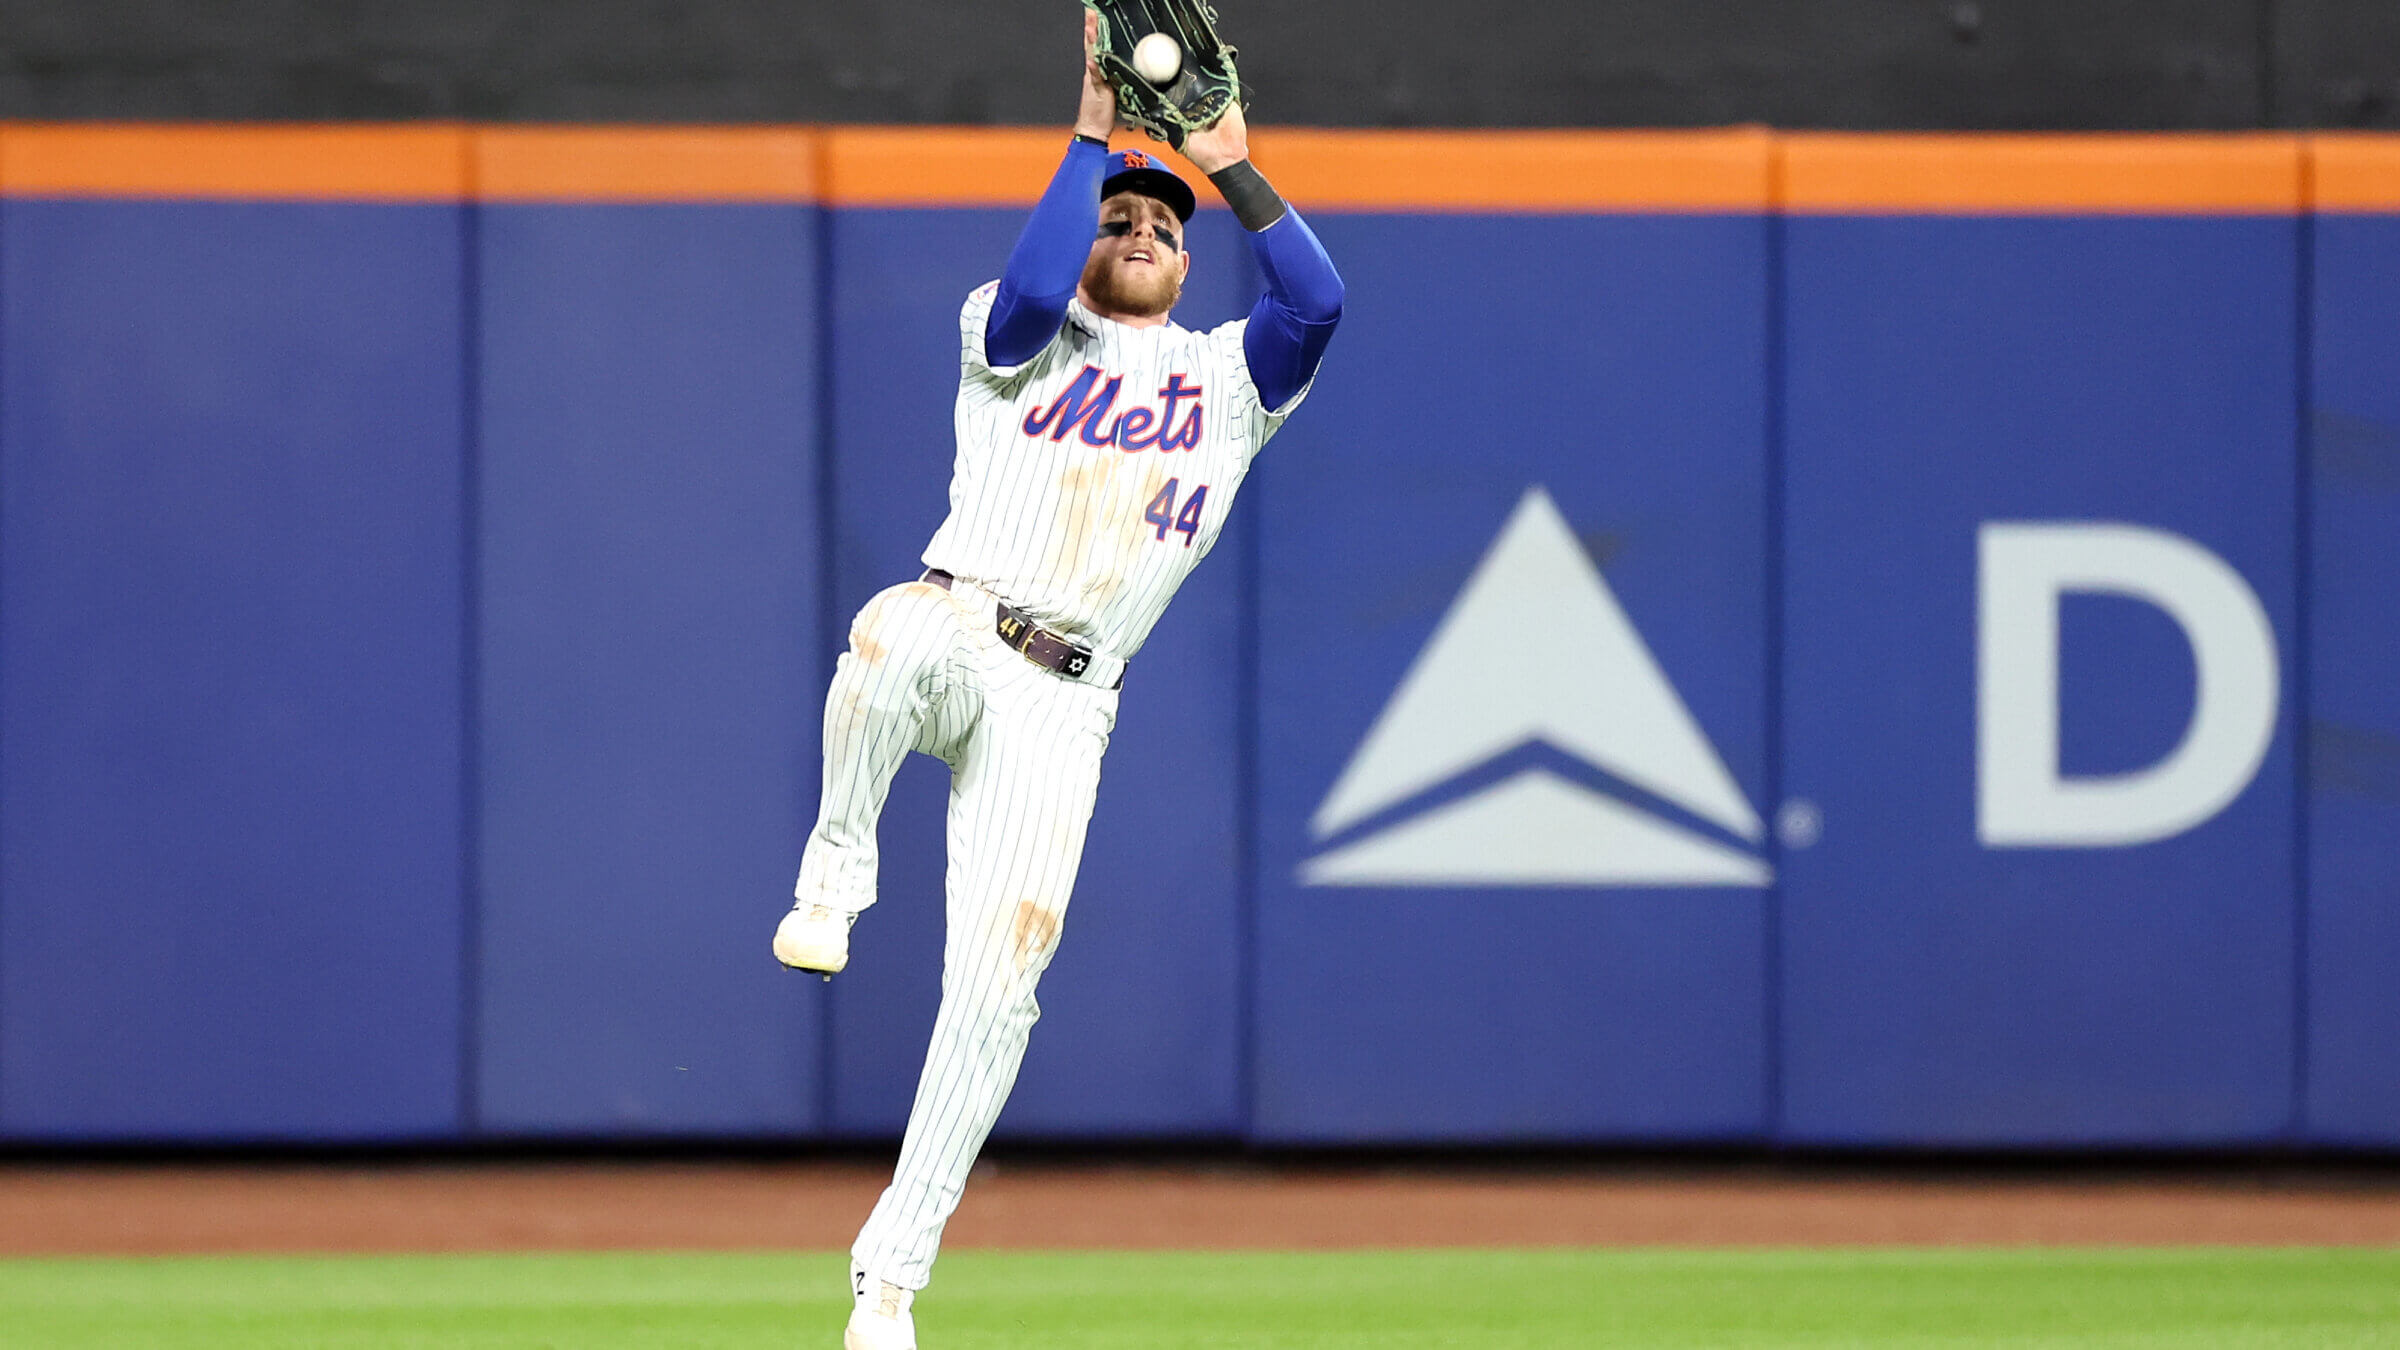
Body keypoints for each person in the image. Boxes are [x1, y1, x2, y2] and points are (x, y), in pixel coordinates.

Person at [772, 15, 1342, 1349]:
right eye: (1120, 217)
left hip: (1066, 701)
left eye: (1164, 221)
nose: (1142, 227)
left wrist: (1232, 162)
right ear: (1087, 230)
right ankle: (840, 858)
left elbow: (1315, 303)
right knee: (886, 634)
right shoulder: (1013, 331)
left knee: (998, 994)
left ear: (1192, 255)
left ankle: (890, 1281)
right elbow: (1035, 285)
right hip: (963, 626)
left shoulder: (1226, 381)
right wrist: (1092, 132)